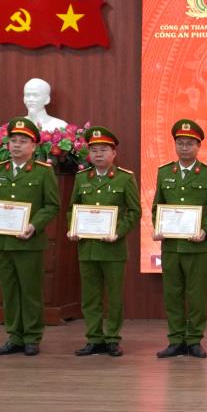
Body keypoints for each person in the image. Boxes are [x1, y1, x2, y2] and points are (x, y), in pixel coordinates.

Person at [0, 117, 59, 356]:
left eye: (23, 141)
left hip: (29, 243)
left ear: (33, 146)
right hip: (2, 243)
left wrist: (34, 225)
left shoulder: (43, 172)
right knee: (9, 292)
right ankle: (14, 336)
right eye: (13, 140)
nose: (17, 145)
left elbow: (52, 205)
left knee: (30, 291)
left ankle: (32, 337)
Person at [152, 119, 207, 359]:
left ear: (198, 146)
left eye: (189, 143)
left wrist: (205, 229)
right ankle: (175, 340)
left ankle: (194, 340)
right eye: (180, 143)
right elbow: (157, 206)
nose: (184, 147)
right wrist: (159, 227)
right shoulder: (164, 173)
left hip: (198, 246)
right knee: (172, 294)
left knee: (197, 295)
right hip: (172, 246)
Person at [67, 126, 140, 357]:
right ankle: (93, 338)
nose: (98, 154)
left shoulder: (125, 178)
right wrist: (73, 228)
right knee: (90, 297)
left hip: (113, 248)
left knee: (114, 297)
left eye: (103, 150)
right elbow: (72, 209)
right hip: (87, 248)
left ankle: (112, 339)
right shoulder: (81, 178)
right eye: (94, 150)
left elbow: (134, 211)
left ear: (114, 153)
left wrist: (118, 232)